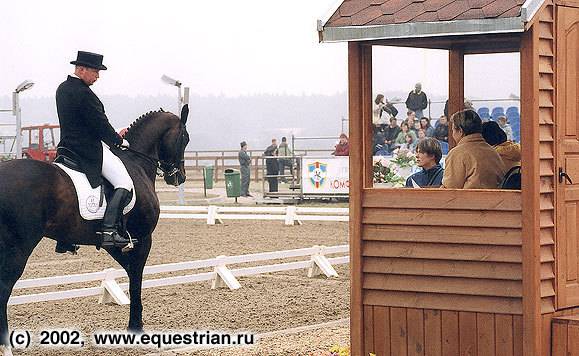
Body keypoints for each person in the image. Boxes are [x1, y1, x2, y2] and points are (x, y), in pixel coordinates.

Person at [55, 51, 133, 250]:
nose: (98, 76)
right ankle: (109, 231)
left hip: (66, 148)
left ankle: (64, 238)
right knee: (124, 183)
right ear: (81, 69)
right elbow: (99, 124)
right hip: (88, 149)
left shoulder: (62, 89)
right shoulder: (84, 93)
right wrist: (118, 141)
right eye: (95, 71)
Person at [441, 110, 506, 189]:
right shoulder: (493, 152)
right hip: (497, 200)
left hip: (468, 200)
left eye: (453, 130)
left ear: (460, 131)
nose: (452, 134)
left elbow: (449, 189)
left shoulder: (457, 154)